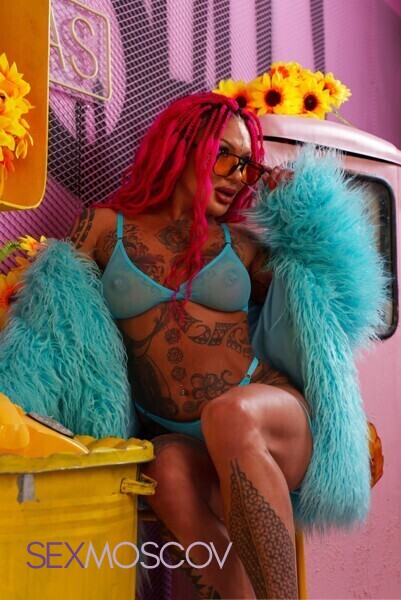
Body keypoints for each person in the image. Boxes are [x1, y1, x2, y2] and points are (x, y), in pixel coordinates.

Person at [67, 92, 313, 599]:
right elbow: (60, 322)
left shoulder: (242, 244)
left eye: (246, 165)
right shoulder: (102, 227)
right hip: (182, 437)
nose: (236, 176)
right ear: (181, 146)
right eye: (225, 156)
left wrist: (297, 214)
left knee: (229, 415)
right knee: (160, 467)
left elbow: (313, 304)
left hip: (271, 419)